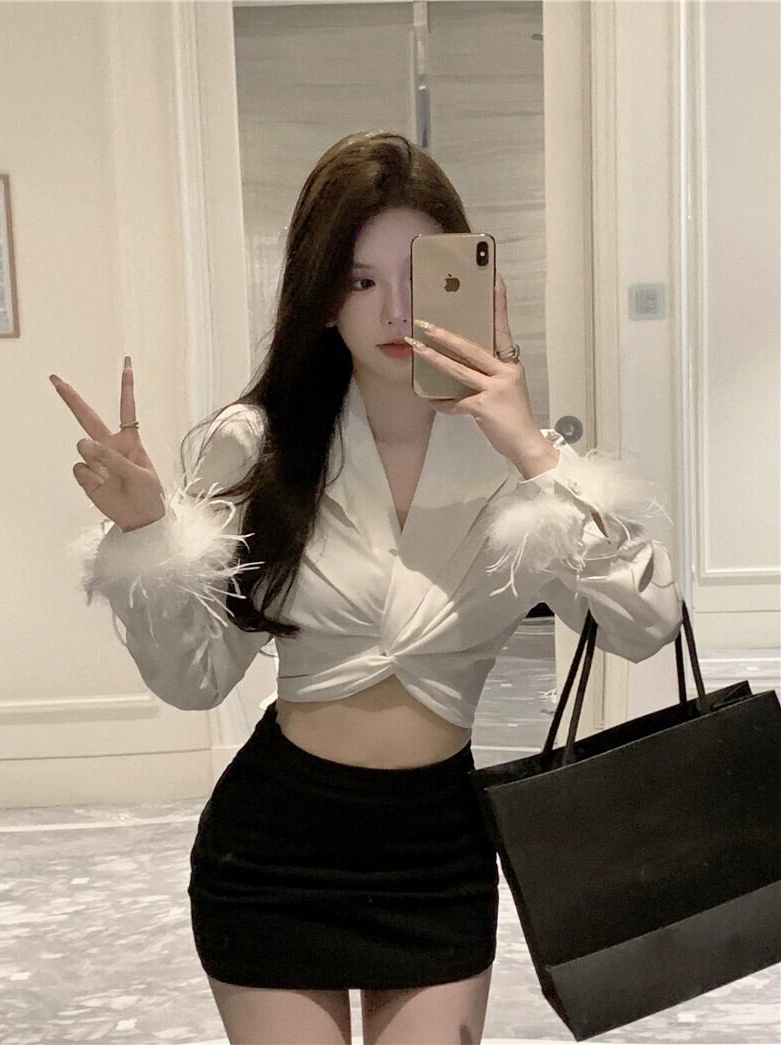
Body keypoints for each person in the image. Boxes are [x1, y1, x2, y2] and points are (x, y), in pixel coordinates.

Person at [51, 131, 683, 1045]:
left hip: (436, 857)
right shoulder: (260, 446)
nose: (394, 310)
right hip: (272, 856)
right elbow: (197, 678)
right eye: (359, 280)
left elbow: (647, 623)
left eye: (420, 276)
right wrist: (150, 534)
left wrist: (532, 449)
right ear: (321, 298)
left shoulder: (514, 465)